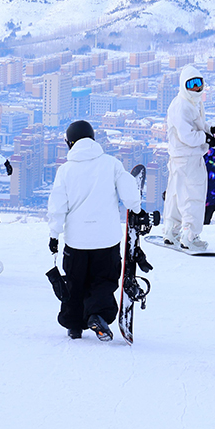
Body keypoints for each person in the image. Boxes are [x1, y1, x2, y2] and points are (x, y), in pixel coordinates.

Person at [47, 120, 142, 341]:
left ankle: (74, 325)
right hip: (107, 239)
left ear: (70, 142)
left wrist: (54, 235)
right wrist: (136, 209)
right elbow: (129, 192)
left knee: (75, 281)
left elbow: (57, 206)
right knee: (103, 280)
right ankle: (97, 315)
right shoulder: (111, 163)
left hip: (76, 241)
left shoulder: (65, 170)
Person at [163, 64, 212, 251]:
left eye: (198, 83)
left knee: (176, 194)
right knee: (194, 195)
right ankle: (189, 235)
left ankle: (171, 231)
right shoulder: (182, 105)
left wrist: (210, 130)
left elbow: (197, 125)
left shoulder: (192, 102)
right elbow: (188, 135)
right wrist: (206, 138)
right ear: (183, 85)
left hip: (179, 157)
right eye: (191, 84)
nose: (196, 88)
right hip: (189, 156)